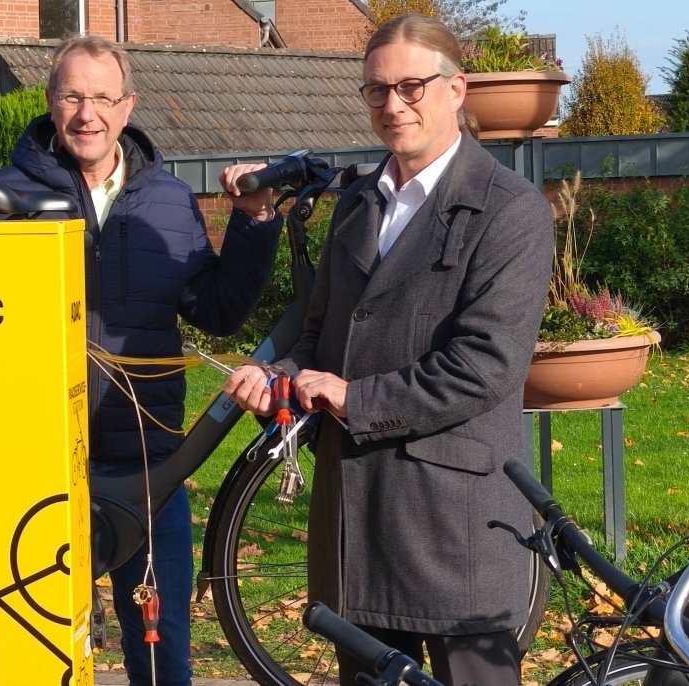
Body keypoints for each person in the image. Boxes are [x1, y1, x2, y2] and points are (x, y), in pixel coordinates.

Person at [222, 14, 554, 686]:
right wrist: (277, 379)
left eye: (411, 87)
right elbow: (322, 338)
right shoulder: (355, 206)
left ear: (456, 89)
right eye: (376, 91)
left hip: (454, 524)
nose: (392, 105)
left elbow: (484, 366)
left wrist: (353, 397)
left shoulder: (510, 211)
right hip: (356, 519)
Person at [0, 35, 280, 686]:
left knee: (162, 662)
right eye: (72, 96)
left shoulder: (167, 201)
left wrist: (254, 221)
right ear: (49, 102)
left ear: (127, 107)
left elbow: (215, 311)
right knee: (32, 662)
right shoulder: (1, 197)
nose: (86, 113)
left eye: (102, 97)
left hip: (148, 471)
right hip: (33, 469)